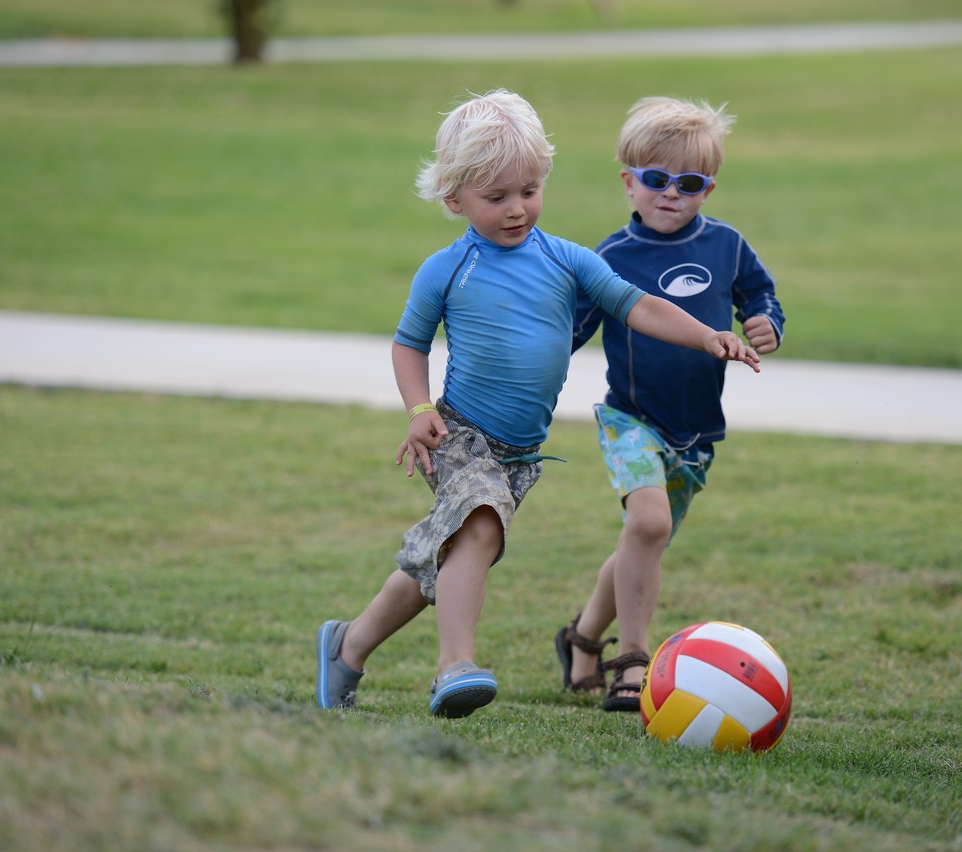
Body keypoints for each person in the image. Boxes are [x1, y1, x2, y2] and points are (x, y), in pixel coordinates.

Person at [315, 89, 760, 718]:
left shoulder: (567, 260)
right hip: (461, 432)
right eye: (496, 198)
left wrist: (707, 334)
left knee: (435, 562)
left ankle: (348, 646)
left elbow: (640, 305)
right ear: (454, 198)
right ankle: (454, 668)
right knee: (478, 528)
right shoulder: (446, 270)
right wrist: (420, 412)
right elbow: (408, 345)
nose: (517, 208)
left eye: (528, 191)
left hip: (520, 453)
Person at [556, 97, 785, 712]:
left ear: (708, 188)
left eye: (689, 183)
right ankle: (633, 662)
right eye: (655, 180)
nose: (670, 194)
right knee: (649, 523)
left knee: (642, 538)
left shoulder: (728, 246)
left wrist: (764, 321)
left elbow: (760, 296)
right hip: (630, 419)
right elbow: (568, 333)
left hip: (696, 434)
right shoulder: (609, 259)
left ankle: (580, 640)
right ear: (628, 181)